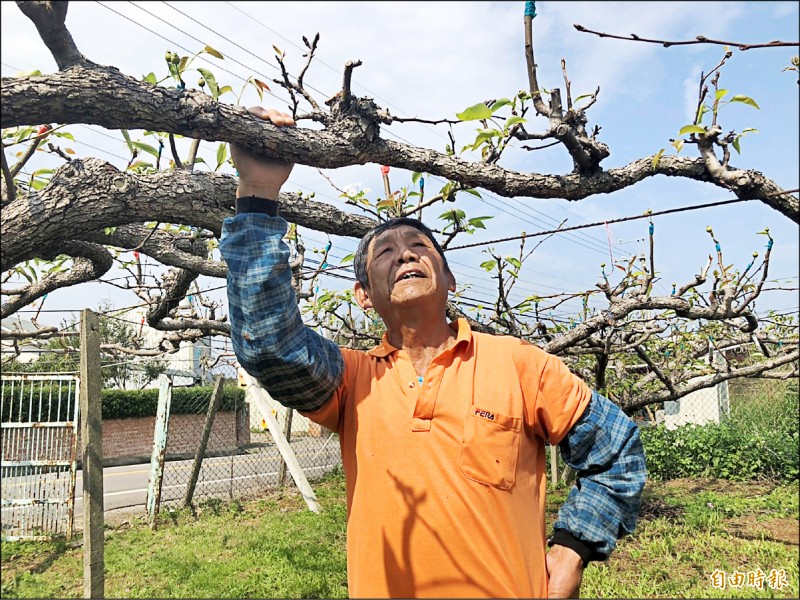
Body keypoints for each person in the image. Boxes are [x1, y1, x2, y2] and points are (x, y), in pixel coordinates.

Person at [220, 107, 646, 599]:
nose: (404, 254)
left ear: (449, 280)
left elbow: (617, 450)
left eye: (419, 247)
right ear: (363, 295)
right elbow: (270, 345)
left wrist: (572, 548)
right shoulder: (353, 380)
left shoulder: (520, 364)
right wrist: (257, 193)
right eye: (385, 252)